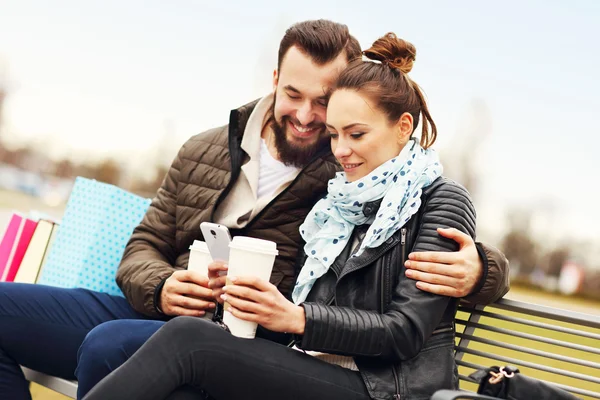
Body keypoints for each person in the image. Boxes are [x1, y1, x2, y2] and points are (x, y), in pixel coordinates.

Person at [0, 20, 507, 400]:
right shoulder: (335, 196)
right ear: (274, 80)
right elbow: (145, 242)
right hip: (194, 317)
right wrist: (161, 285)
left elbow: (419, 301)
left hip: (337, 367)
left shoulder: (350, 180)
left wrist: (484, 270)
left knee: (156, 345)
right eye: (296, 96)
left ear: (398, 126)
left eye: (334, 115)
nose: (314, 122)